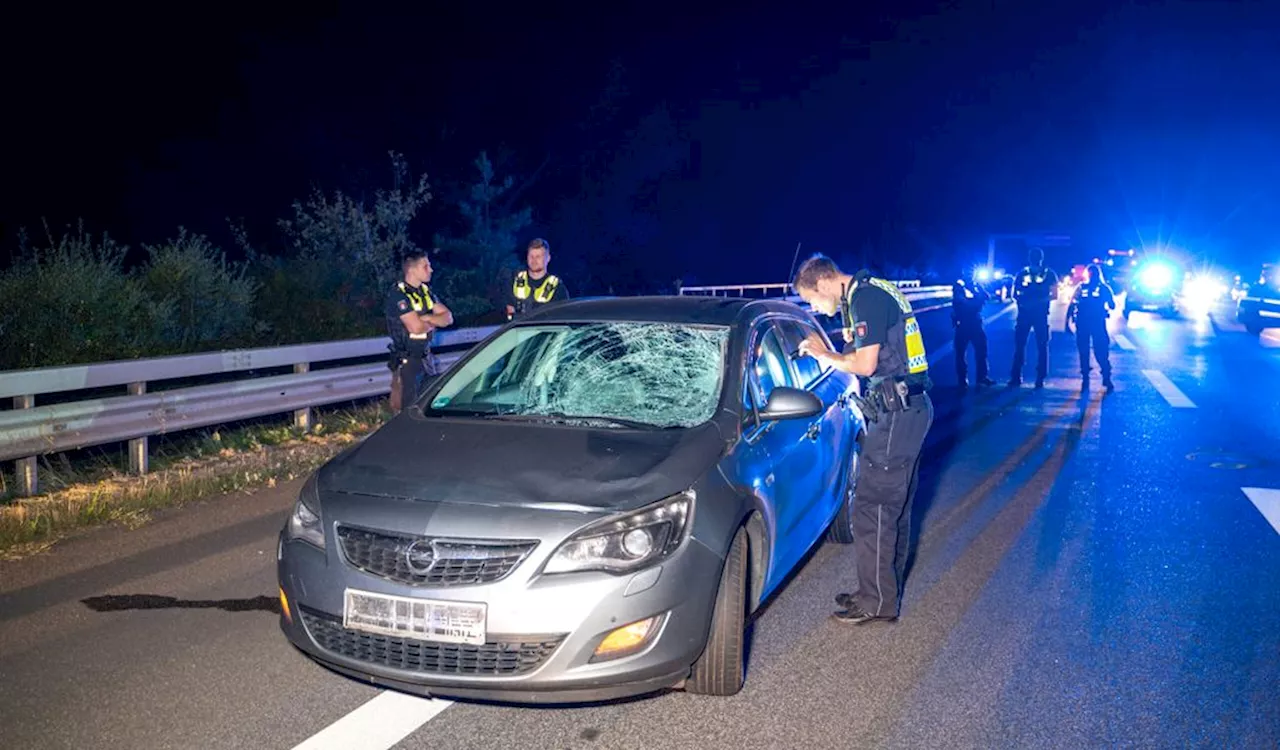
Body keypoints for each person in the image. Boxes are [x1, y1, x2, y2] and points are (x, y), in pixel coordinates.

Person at [793, 254, 935, 625]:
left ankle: (877, 601)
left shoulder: (865, 298)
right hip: (909, 408)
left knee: (873, 507)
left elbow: (866, 365)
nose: (816, 309)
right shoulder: (874, 289)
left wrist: (824, 355)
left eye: (812, 300)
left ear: (824, 283)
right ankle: (881, 590)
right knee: (894, 507)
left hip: (897, 413)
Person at [386, 250, 453, 412]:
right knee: (409, 409)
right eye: (426, 266)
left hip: (426, 358)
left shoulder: (425, 292)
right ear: (412, 270)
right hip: (407, 361)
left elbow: (448, 318)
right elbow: (415, 327)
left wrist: (425, 318)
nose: (431, 269)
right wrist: (431, 320)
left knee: (429, 405)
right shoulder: (398, 295)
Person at [1009, 246, 1059, 388]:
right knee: (1039, 346)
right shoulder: (1049, 274)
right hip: (1036, 314)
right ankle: (1038, 378)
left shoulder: (1023, 273)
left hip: (1030, 314)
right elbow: (1054, 295)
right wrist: (1035, 302)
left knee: (1024, 346)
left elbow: (1014, 294)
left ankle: (1017, 377)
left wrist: (1025, 303)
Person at [1067, 263, 1115, 391]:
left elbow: (1072, 304)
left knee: (1084, 351)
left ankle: (1086, 378)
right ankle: (1106, 376)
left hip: (1083, 323)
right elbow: (1112, 305)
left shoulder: (1081, 287)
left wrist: (1067, 322)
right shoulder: (1104, 288)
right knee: (1101, 351)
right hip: (1097, 323)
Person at [505, 238, 569, 320]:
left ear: (548, 258)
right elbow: (507, 313)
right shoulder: (513, 281)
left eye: (538, 256)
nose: (534, 260)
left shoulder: (558, 288)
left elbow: (563, 318)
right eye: (531, 256)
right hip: (517, 331)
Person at [952, 273, 996, 389]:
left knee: (981, 351)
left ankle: (982, 377)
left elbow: (986, 296)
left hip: (975, 323)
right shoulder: (958, 287)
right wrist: (977, 299)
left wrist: (975, 289)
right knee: (961, 353)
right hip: (963, 323)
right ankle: (962, 379)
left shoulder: (975, 286)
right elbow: (964, 303)